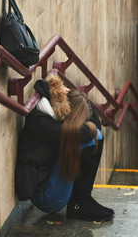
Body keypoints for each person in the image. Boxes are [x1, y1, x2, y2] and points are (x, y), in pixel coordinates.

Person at [15, 74, 114, 221]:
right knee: (90, 137)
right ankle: (79, 205)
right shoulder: (42, 123)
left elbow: (94, 123)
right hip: (45, 198)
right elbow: (90, 132)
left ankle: (82, 200)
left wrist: (64, 94)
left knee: (93, 134)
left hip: (51, 181)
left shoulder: (54, 110)